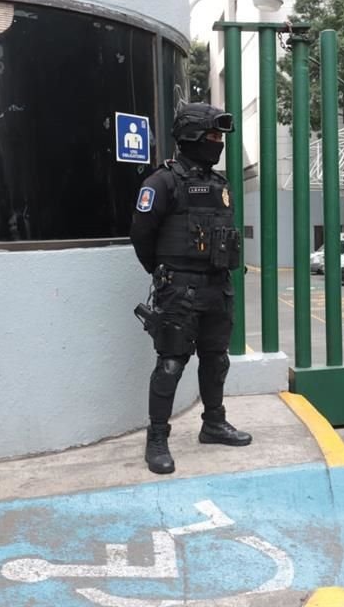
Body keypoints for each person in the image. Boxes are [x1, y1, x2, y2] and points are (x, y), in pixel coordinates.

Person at [130, 102, 250, 475]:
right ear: (191, 137)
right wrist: (164, 273)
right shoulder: (161, 183)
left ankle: (213, 423)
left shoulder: (218, 184)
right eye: (213, 136)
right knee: (170, 364)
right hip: (178, 290)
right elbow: (141, 237)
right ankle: (157, 439)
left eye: (220, 137)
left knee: (216, 360)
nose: (218, 143)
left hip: (218, 287)